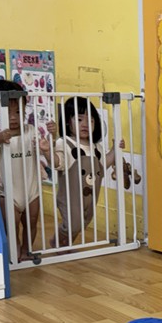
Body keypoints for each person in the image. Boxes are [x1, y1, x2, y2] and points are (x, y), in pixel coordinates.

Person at [0, 79, 55, 261]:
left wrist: (49, 139)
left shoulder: (30, 130)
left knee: (31, 223)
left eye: (18, 111)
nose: (14, 117)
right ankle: (15, 247)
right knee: (12, 223)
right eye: (7, 112)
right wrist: (0, 137)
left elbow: (43, 148)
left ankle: (27, 250)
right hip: (9, 193)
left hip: (31, 190)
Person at [53, 96, 123, 247]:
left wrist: (115, 148)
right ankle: (57, 241)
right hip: (70, 196)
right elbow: (57, 163)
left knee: (83, 222)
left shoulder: (96, 147)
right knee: (74, 224)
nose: (85, 124)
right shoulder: (64, 143)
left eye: (90, 120)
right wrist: (47, 151)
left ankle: (66, 246)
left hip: (90, 196)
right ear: (68, 121)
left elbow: (103, 165)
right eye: (79, 120)